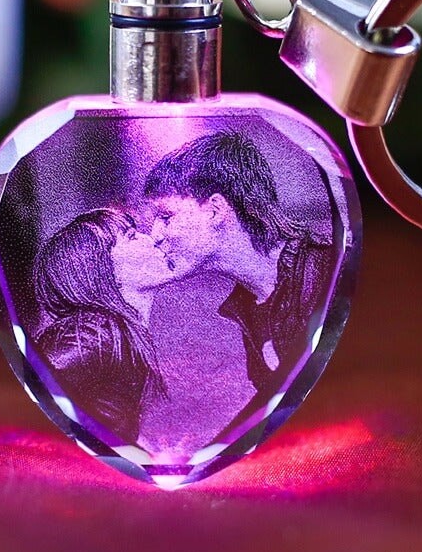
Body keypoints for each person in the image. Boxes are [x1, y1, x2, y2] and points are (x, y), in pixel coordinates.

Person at [143, 131, 339, 395]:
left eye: (166, 217)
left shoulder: (326, 273)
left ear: (216, 210)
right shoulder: (250, 304)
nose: (155, 235)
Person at [33, 208, 173, 443]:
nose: (150, 238)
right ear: (103, 270)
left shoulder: (120, 333)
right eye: (131, 236)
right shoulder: (94, 334)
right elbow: (33, 382)